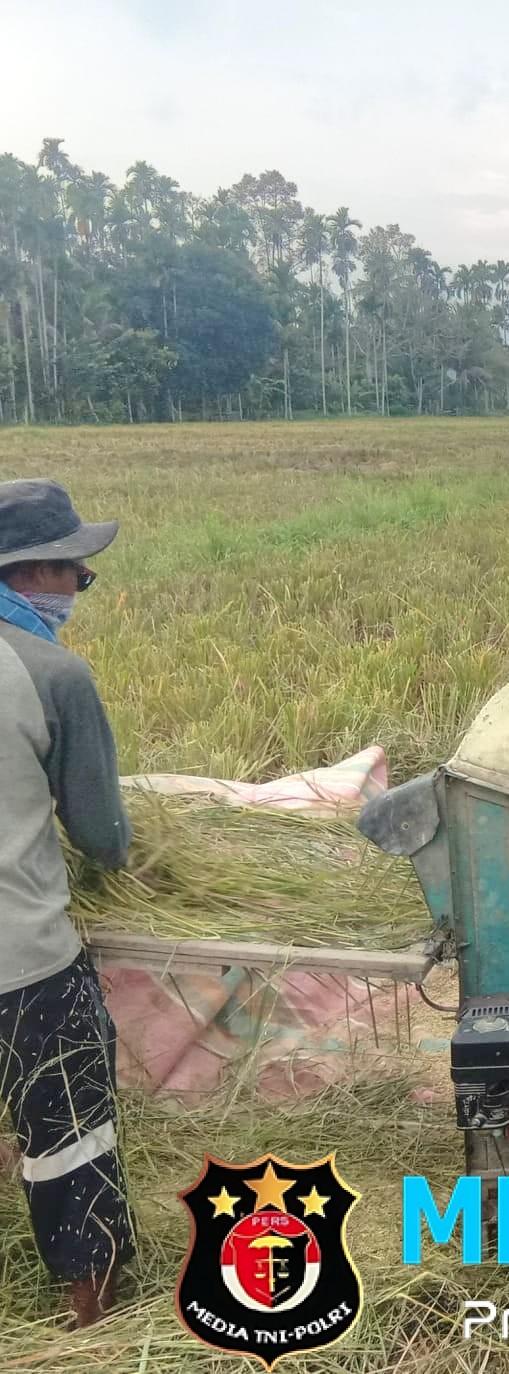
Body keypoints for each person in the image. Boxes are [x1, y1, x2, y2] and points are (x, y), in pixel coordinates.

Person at [0, 478, 134, 1327]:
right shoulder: (52, 673)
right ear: (35, 574)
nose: (79, 589)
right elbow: (102, 834)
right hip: (23, 956)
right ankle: (95, 1306)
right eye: (76, 575)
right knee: (69, 1121)